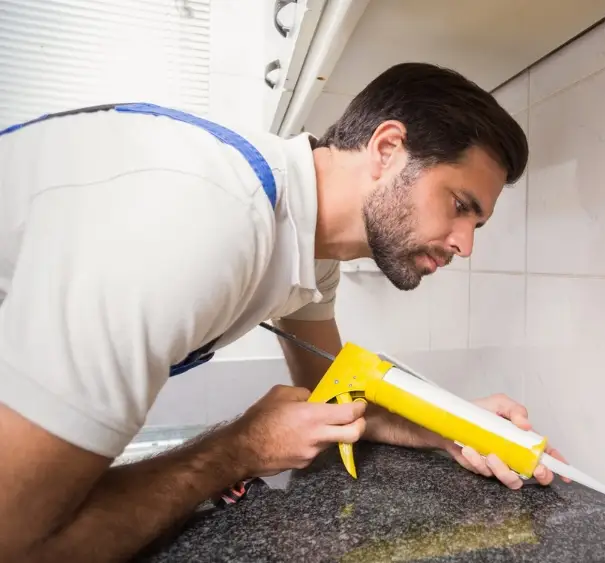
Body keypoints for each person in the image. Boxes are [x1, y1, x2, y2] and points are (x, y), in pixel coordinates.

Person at [0, 62, 569, 562]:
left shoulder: (312, 245)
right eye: (459, 206)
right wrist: (239, 448)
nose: (464, 246)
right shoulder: (202, 221)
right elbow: (21, 544)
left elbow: (334, 395)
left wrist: (453, 427)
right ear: (388, 148)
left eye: (477, 224)